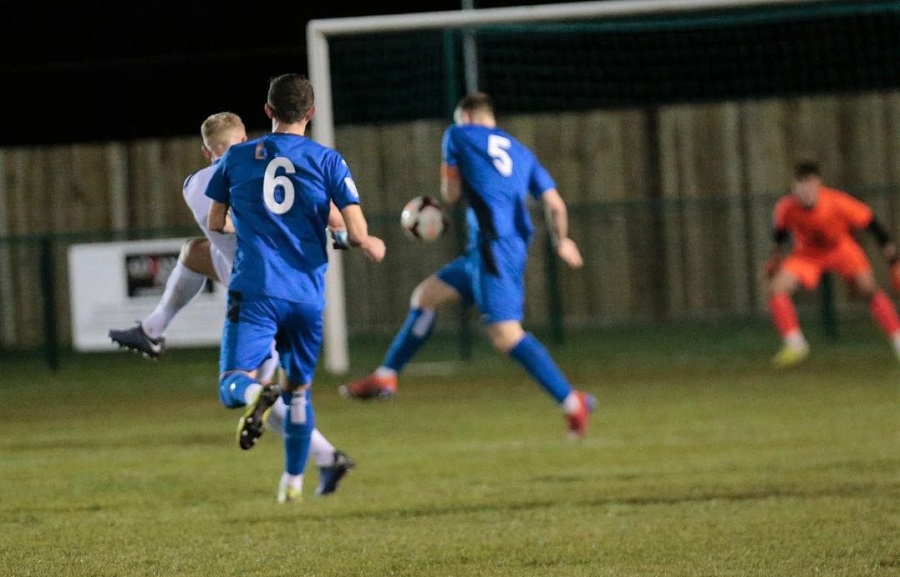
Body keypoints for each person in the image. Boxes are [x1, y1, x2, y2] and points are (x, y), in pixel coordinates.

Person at [109, 111, 355, 496]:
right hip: (289, 288)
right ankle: (324, 460)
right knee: (283, 395)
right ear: (246, 139)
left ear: (206, 151)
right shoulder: (266, 169)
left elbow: (222, 227)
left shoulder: (194, 185)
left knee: (255, 390)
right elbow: (319, 216)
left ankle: (316, 466)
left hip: (253, 291)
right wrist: (344, 237)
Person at [340, 92, 595, 439]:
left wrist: (434, 207)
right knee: (425, 297)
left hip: (495, 247)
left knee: (506, 336)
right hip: (491, 249)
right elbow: (555, 205)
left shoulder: (457, 135)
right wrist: (562, 240)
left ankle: (571, 402)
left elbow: (450, 193)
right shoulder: (521, 152)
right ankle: (387, 375)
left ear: (469, 116)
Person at [205, 75, 386, 503]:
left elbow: (216, 222)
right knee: (299, 392)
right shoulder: (328, 161)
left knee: (232, 384)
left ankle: (255, 394)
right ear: (312, 113)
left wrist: (250, 223)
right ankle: (292, 484)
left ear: (267, 111)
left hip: (255, 290)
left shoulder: (236, 158)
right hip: (306, 294)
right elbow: (352, 233)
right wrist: (370, 244)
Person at [762, 160, 900, 368]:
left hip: (841, 249)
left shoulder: (837, 201)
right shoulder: (786, 207)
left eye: (809, 182)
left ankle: (898, 340)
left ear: (818, 183)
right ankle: (795, 344)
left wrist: (892, 255)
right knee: (775, 288)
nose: (805, 189)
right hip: (807, 255)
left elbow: (871, 223)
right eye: (800, 183)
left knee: (868, 289)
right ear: (794, 186)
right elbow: (780, 233)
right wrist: (774, 257)